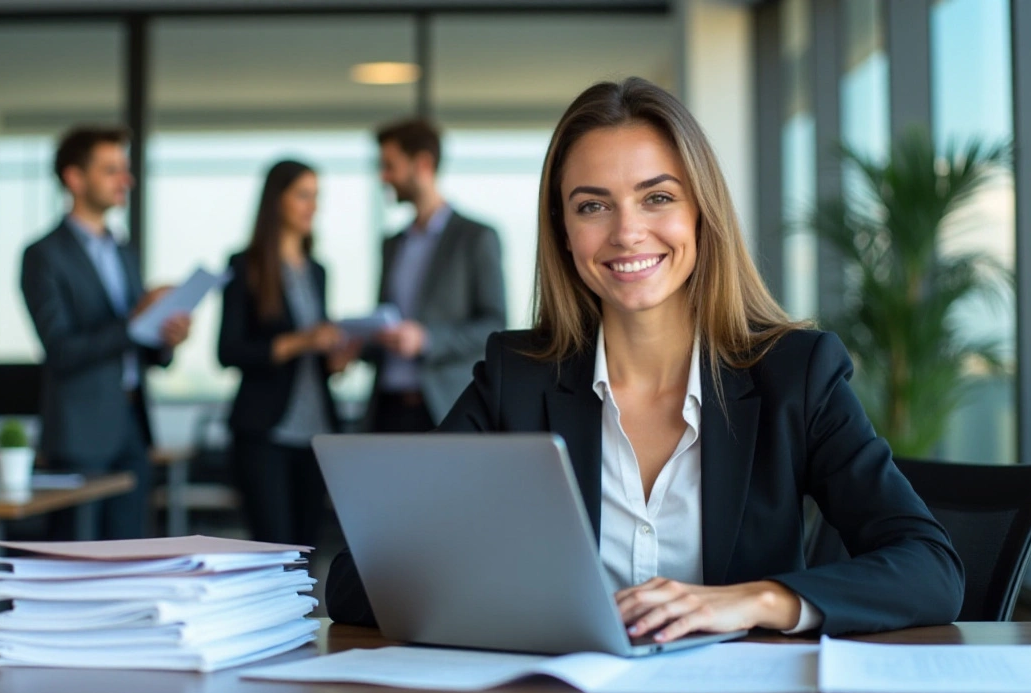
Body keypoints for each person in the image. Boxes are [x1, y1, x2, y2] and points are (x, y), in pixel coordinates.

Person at [327, 78, 964, 638]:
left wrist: (754, 601)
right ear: (566, 232)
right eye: (593, 205)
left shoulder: (796, 374)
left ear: (700, 212)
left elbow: (930, 566)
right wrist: (536, 605)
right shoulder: (514, 378)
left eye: (657, 197)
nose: (626, 231)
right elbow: (358, 580)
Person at [21, 125, 191, 540]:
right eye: (111, 170)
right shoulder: (44, 255)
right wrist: (136, 322)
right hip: (80, 433)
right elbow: (61, 349)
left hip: (132, 424)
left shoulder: (123, 250)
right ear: (74, 178)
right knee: (78, 563)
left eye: (125, 169)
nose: (125, 180)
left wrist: (165, 336)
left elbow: (137, 341)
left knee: (132, 557)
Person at [218, 160, 346, 546]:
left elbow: (318, 361)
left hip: (316, 431)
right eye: (303, 196)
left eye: (316, 197)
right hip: (264, 432)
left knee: (308, 549)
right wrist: (300, 341)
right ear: (277, 202)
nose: (313, 207)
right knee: (272, 550)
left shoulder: (318, 271)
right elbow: (229, 351)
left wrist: (335, 356)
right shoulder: (245, 267)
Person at [363, 118, 507, 431]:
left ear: (423, 164)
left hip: (442, 406)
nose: (383, 176)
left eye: (390, 165)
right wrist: (359, 340)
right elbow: (387, 319)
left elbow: (494, 325)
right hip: (386, 408)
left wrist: (427, 339)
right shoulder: (392, 244)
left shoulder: (475, 237)